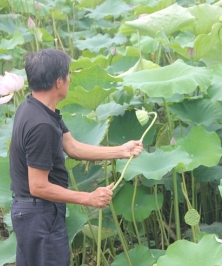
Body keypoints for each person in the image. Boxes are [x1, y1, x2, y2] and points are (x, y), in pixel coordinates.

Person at [9, 48, 143, 266]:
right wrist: (88, 198)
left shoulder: (33, 107)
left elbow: (73, 147)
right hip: (39, 215)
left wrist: (121, 151)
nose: (70, 78)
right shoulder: (41, 125)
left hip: (35, 213)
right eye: (68, 74)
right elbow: (38, 186)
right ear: (59, 82)